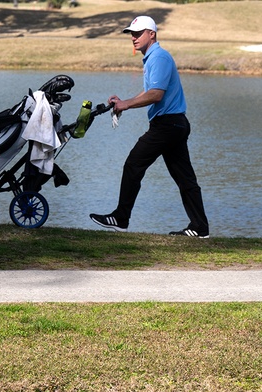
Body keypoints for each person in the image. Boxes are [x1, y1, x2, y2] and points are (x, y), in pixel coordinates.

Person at [89, 16, 210, 238]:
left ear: (151, 34)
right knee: (185, 179)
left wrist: (126, 104)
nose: (133, 38)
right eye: (131, 34)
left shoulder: (160, 58)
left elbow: (156, 95)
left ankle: (120, 218)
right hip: (173, 124)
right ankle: (200, 228)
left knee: (134, 164)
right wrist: (124, 102)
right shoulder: (153, 58)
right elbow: (149, 93)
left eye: (138, 33)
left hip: (168, 125)